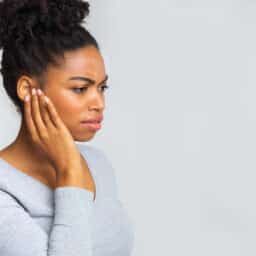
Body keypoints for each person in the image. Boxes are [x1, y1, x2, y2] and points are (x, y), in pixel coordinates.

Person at [0, 0, 135, 255]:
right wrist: (69, 171)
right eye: (80, 89)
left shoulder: (98, 164)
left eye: (101, 87)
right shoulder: (5, 190)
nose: (99, 103)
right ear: (27, 90)